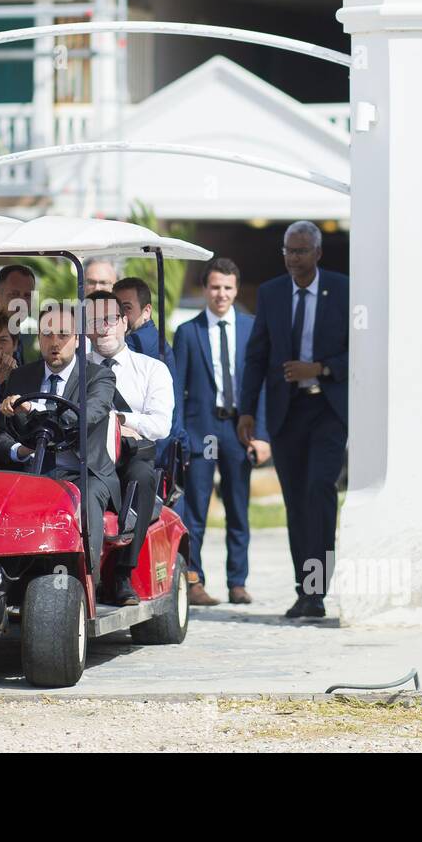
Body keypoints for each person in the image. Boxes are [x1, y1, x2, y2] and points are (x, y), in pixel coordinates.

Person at [238, 221, 348, 620]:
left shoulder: (343, 290)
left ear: (318, 253)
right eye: (288, 251)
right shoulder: (272, 293)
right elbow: (256, 356)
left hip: (328, 411)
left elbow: (362, 351)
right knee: (296, 503)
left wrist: (319, 368)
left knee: (320, 492)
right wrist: (247, 410)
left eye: (301, 252)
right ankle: (306, 591)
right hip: (287, 413)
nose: (293, 259)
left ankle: (319, 588)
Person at [0, 305, 118, 576]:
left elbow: (84, 418)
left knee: (88, 497)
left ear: (78, 339)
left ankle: (86, 580)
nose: (55, 341)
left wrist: (33, 410)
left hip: (83, 471)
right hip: (33, 470)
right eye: (47, 334)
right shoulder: (21, 376)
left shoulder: (98, 376)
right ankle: (3, 580)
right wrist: (20, 450)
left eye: (63, 334)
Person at [173, 257, 269, 606]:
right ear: (205, 289)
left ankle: (237, 581)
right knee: (195, 511)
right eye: (215, 287)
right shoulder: (188, 332)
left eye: (228, 288)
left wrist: (263, 435)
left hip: (238, 429)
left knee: (238, 509)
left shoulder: (251, 328)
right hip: (201, 430)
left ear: (236, 289)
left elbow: (262, 385)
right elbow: (177, 390)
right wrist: (180, 437)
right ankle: (194, 581)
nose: (221, 294)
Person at [87, 291, 174, 604]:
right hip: (89, 458)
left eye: (110, 319)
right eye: (95, 321)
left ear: (124, 322)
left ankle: (124, 573)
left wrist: (119, 418)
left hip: (133, 457)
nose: (104, 327)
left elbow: (161, 424)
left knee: (143, 478)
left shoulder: (152, 370)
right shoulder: (78, 369)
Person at [113, 275, 183, 462]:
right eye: (116, 308)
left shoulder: (136, 342)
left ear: (147, 311)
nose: (121, 315)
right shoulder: (153, 337)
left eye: (127, 308)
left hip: (149, 446)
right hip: (164, 440)